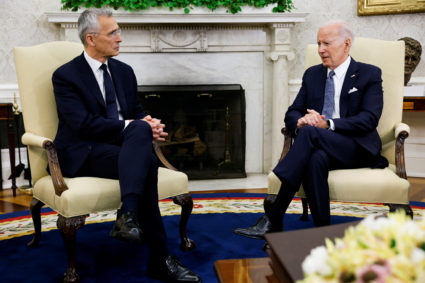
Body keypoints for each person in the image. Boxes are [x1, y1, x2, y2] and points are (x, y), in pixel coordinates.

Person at [52, 8, 201, 282]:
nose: (120, 38)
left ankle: (128, 216)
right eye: (113, 33)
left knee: (141, 140)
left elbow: (135, 111)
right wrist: (135, 126)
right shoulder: (66, 76)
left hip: (123, 147)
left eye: (118, 31)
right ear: (91, 39)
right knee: (147, 163)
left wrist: (147, 124)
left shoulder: (124, 71)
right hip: (85, 151)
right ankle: (158, 258)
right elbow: (83, 124)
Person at [233, 20, 388, 239]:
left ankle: (274, 214)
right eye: (318, 44)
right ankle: (322, 231)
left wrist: (328, 124)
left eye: (326, 43)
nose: (320, 50)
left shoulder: (369, 74)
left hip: (356, 148)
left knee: (310, 134)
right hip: (319, 144)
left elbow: (369, 119)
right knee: (315, 158)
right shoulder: (313, 74)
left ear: (346, 44)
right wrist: (302, 121)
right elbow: (292, 112)